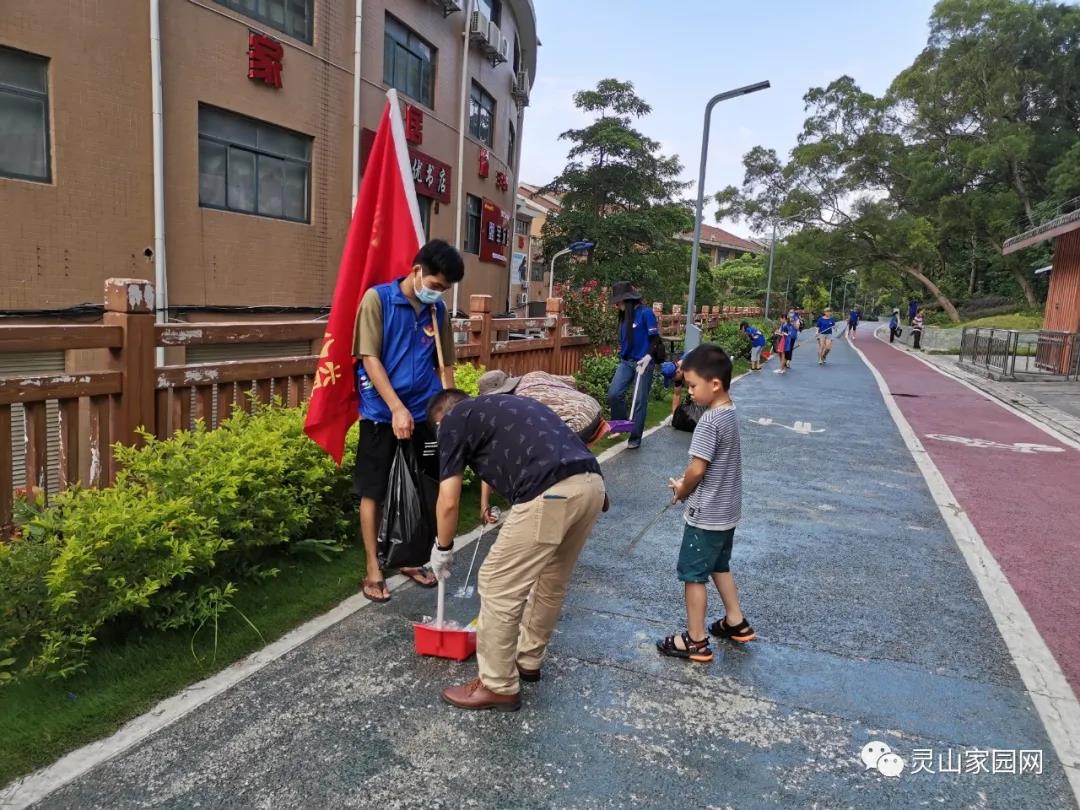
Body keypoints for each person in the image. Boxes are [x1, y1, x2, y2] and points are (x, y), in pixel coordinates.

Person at [427, 389, 607, 711]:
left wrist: (443, 548)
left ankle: (497, 684)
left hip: (550, 493)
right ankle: (528, 659)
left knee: (498, 582)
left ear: (441, 420)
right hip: (592, 486)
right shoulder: (512, 404)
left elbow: (448, 501)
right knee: (551, 579)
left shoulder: (452, 420)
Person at [352, 239, 464, 604]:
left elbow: (445, 364)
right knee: (374, 490)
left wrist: (450, 409)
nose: (438, 292)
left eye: (444, 288)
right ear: (417, 271)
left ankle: (411, 557)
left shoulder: (437, 310)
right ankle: (373, 566)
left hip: (424, 411)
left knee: (425, 485)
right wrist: (396, 408)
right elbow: (369, 359)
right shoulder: (378, 300)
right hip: (381, 413)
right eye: (435, 285)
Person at [656, 344, 754, 664]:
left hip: (706, 514)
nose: (689, 392)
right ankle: (735, 620)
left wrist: (682, 489)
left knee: (693, 573)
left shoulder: (709, 422)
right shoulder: (729, 412)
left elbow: (697, 469)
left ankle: (696, 640)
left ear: (714, 384)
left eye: (693, 386)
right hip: (727, 512)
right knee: (718, 564)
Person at [477, 368, 607, 522]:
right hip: (592, 407)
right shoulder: (533, 375)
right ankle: (594, 489)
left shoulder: (513, 405)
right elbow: (572, 381)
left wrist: (484, 504)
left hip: (576, 422)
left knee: (545, 459)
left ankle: (542, 509)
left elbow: (494, 454)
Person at [607, 282, 662, 449]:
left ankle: (635, 437)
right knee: (614, 393)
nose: (617, 305)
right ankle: (620, 425)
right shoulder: (625, 316)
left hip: (644, 362)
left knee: (639, 401)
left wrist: (648, 356)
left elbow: (655, 339)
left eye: (619, 302)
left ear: (628, 300)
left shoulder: (646, 313)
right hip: (627, 362)